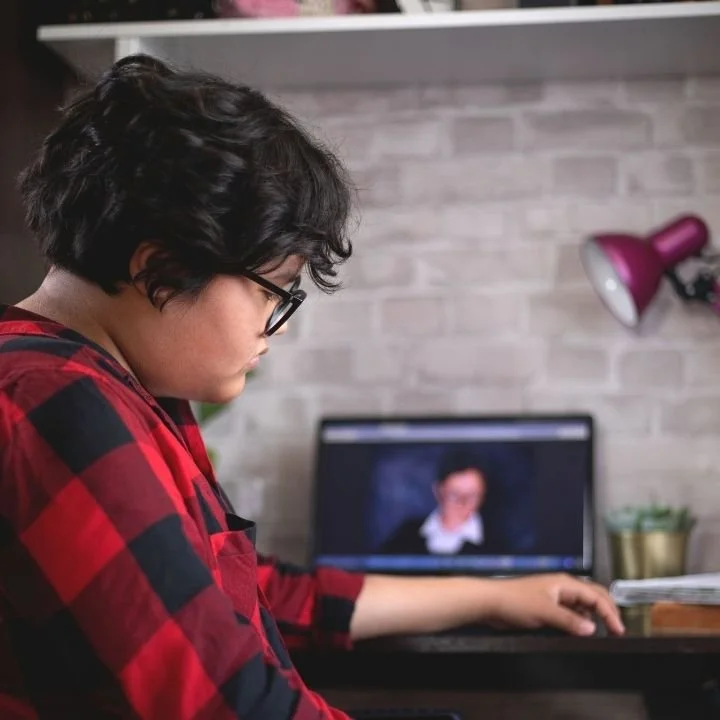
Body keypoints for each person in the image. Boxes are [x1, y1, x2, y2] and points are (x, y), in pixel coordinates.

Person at [0, 54, 624, 719]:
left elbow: (251, 593)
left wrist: (492, 595)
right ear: (162, 267)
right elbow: (231, 707)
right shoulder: (56, 404)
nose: (276, 329)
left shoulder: (115, 387)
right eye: (275, 291)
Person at [379, 451, 493, 556]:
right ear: (438, 491)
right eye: (454, 494)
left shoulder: (497, 544)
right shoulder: (406, 535)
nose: (463, 503)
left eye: (472, 495)